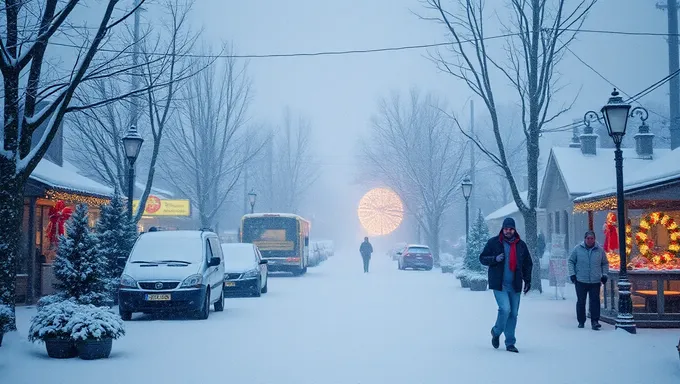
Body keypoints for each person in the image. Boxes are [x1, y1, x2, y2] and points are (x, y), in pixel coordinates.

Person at [479, 217, 533, 353]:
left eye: (510, 229)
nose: (508, 231)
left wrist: (527, 280)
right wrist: (495, 259)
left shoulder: (521, 245)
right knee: (505, 309)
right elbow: (482, 258)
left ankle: (510, 343)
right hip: (499, 284)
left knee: (513, 314)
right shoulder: (494, 243)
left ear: (514, 230)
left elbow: (528, 263)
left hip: (515, 284)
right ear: (502, 229)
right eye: (505, 229)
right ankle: (496, 332)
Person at [568, 230, 608, 330]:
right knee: (581, 301)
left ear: (594, 239)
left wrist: (604, 274)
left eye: (592, 238)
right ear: (585, 239)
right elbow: (571, 261)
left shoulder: (600, 250)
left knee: (595, 301)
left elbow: (605, 263)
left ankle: (595, 321)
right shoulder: (578, 249)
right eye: (588, 238)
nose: (590, 240)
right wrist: (572, 274)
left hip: (595, 280)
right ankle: (581, 321)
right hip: (581, 280)